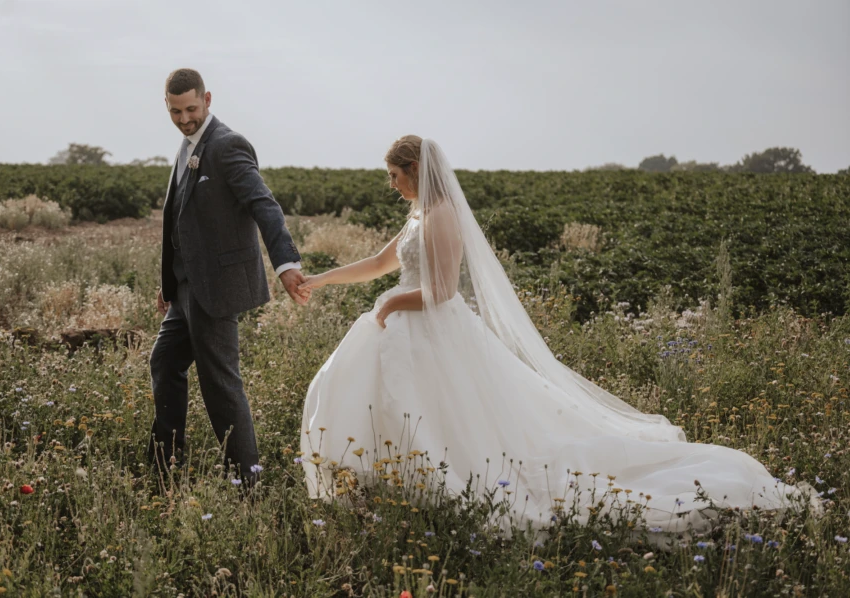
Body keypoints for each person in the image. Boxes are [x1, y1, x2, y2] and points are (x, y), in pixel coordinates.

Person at [297, 135, 819, 532]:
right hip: (408, 331)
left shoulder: (441, 217)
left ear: (415, 170)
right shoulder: (417, 216)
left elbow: (442, 291)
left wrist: (391, 302)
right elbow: (380, 262)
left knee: (455, 419)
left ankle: (450, 491)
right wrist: (321, 278)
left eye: (394, 176)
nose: (391, 186)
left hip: (434, 330)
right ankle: (392, 488)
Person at [148, 68, 309, 483]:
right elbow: (178, 221)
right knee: (164, 362)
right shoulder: (187, 146)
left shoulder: (227, 145)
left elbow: (263, 204)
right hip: (185, 292)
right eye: (175, 111)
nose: (184, 119)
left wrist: (287, 264)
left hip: (216, 289)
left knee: (220, 385)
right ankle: (166, 465)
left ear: (208, 99)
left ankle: (247, 484)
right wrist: (169, 283)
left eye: (191, 109)